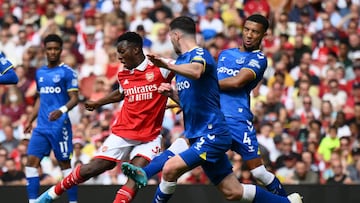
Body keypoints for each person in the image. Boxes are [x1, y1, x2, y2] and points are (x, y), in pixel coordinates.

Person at [123, 16, 302, 203]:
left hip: (235, 120)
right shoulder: (225, 55)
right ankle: (143, 172)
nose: (249, 35)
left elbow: (236, 82)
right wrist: (186, 99)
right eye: (247, 29)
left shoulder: (258, 58)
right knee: (229, 189)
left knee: (258, 171)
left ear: (264, 35)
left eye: (255, 32)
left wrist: (200, 84)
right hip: (213, 117)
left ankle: (285, 200)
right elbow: (205, 85)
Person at [35, 32, 185, 203]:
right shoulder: (123, 74)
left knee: (135, 178)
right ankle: (50, 194)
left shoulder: (161, 66)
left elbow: (187, 68)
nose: (119, 56)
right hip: (123, 132)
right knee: (92, 169)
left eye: (122, 51)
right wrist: (99, 103)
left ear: (136, 50)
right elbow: (120, 93)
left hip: (150, 136)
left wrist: (183, 100)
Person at [23, 34, 79, 203]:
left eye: (56, 49)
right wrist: (30, 119)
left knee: (65, 166)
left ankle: (73, 201)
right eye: (49, 49)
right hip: (41, 127)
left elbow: (75, 98)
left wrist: (61, 111)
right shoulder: (40, 72)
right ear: (45, 50)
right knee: (30, 163)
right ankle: (33, 201)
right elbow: (40, 98)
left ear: (61, 50)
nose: (52, 52)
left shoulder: (67, 72)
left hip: (59, 126)